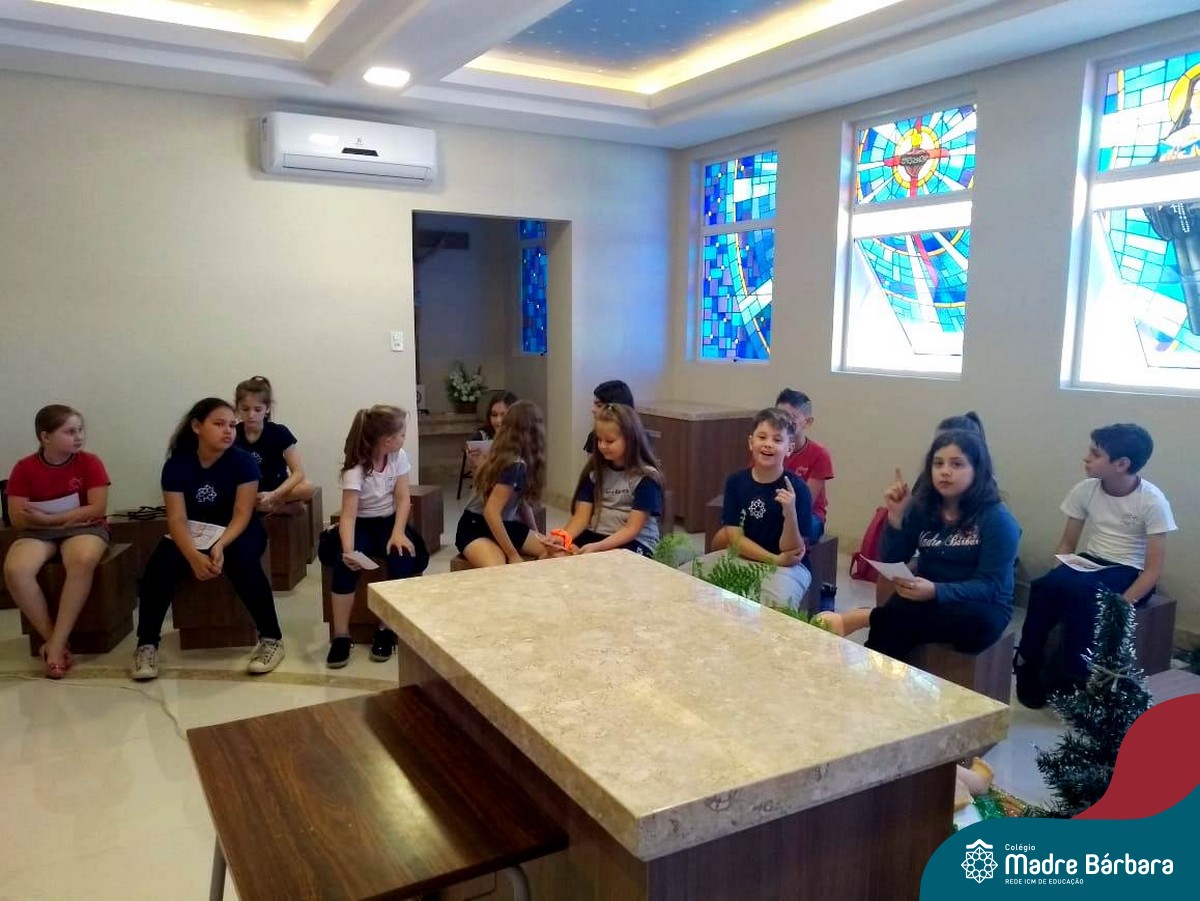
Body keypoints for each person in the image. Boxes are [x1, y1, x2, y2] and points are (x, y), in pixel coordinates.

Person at [819, 429, 1020, 663]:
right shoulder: (925, 508)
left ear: (977, 470)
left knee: (965, 621)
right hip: (927, 597)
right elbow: (894, 558)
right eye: (938, 463)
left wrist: (936, 590)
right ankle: (873, 672)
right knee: (898, 614)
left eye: (956, 464)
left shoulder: (997, 519)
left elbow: (991, 585)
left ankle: (864, 617)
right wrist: (896, 519)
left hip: (980, 606)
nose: (945, 471)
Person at [1014, 423, 1176, 708]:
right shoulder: (1085, 490)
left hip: (1128, 570)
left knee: (1084, 595)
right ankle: (1028, 661)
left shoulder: (1152, 500)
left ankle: (1076, 675)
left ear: (1121, 464)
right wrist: (1058, 573)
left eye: (1096, 454)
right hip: (1090, 562)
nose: (1086, 458)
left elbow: (1153, 569)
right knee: (1044, 586)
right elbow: (1067, 543)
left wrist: (1121, 605)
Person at [131, 398, 285, 680]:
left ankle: (271, 638)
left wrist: (220, 545)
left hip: (237, 530)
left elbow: (242, 513)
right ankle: (147, 644)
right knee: (160, 566)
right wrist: (192, 556)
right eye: (219, 424)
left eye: (232, 425)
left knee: (243, 561)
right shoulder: (177, 465)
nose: (228, 431)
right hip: (195, 531)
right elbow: (177, 519)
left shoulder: (243, 462)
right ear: (196, 426)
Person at [4, 405, 110, 678]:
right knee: (16, 569)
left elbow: (97, 508)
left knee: (82, 559)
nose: (78, 437)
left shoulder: (90, 462)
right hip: (38, 531)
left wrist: (55, 520)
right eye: (70, 431)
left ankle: (54, 647)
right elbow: (17, 517)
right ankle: (55, 641)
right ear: (45, 437)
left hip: (84, 528)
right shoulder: (24, 468)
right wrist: (50, 523)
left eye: (80, 430)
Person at [325, 405, 427, 669]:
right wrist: (349, 550)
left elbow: (403, 499)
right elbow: (348, 515)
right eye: (401, 434)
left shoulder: (398, 456)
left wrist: (398, 532)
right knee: (344, 567)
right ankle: (341, 636)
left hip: (389, 522)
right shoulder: (356, 467)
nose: (404, 439)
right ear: (387, 440)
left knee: (403, 558)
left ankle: (385, 628)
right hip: (361, 523)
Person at [685, 408, 813, 610]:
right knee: (683, 580)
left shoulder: (799, 489)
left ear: (789, 448)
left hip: (788, 567)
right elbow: (734, 537)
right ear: (751, 442)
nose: (768, 444)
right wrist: (773, 559)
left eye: (777, 440)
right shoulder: (736, 482)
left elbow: (791, 552)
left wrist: (790, 513)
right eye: (762, 437)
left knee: (775, 608)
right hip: (746, 555)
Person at [550, 403, 664, 557]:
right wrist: (562, 538)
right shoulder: (595, 473)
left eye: (610, 441)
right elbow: (581, 517)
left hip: (634, 541)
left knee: (597, 561)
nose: (602, 446)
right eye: (599, 440)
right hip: (597, 535)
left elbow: (632, 529)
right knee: (554, 555)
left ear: (630, 440)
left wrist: (598, 548)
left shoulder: (646, 478)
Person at [455, 400, 549, 567]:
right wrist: (513, 555)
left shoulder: (521, 459)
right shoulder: (513, 463)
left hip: (504, 524)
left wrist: (538, 535)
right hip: (476, 526)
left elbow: (523, 503)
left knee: (558, 551)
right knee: (498, 568)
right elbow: (491, 512)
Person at [233, 375, 316, 513]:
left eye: (257, 409)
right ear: (237, 408)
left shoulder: (279, 432)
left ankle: (270, 505)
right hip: (247, 490)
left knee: (308, 486)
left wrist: (274, 495)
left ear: (267, 408)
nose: (251, 415)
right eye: (245, 409)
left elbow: (298, 472)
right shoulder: (232, 433)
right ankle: (277, 508)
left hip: (276, 488)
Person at [775, 389, 835, 540]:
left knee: (792, 530)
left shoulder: (819, 454)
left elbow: (805, 502)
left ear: (807, 422)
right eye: (779, 417)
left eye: (791, 418)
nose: (784, 423)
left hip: (808, 514)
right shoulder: (769, 448)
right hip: (773, 508)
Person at [465, 389, 517, 473]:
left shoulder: (523, 437)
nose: (498, 420)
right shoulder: (481, 437)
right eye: (494, 415)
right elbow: (476, 477)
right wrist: (474, 463)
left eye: (504, 415)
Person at [583, 380, 635, 454]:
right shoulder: (594, 436)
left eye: (599, 405)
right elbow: (591, 460)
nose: (593, 410)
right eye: (600, 440)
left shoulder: (638, 440)